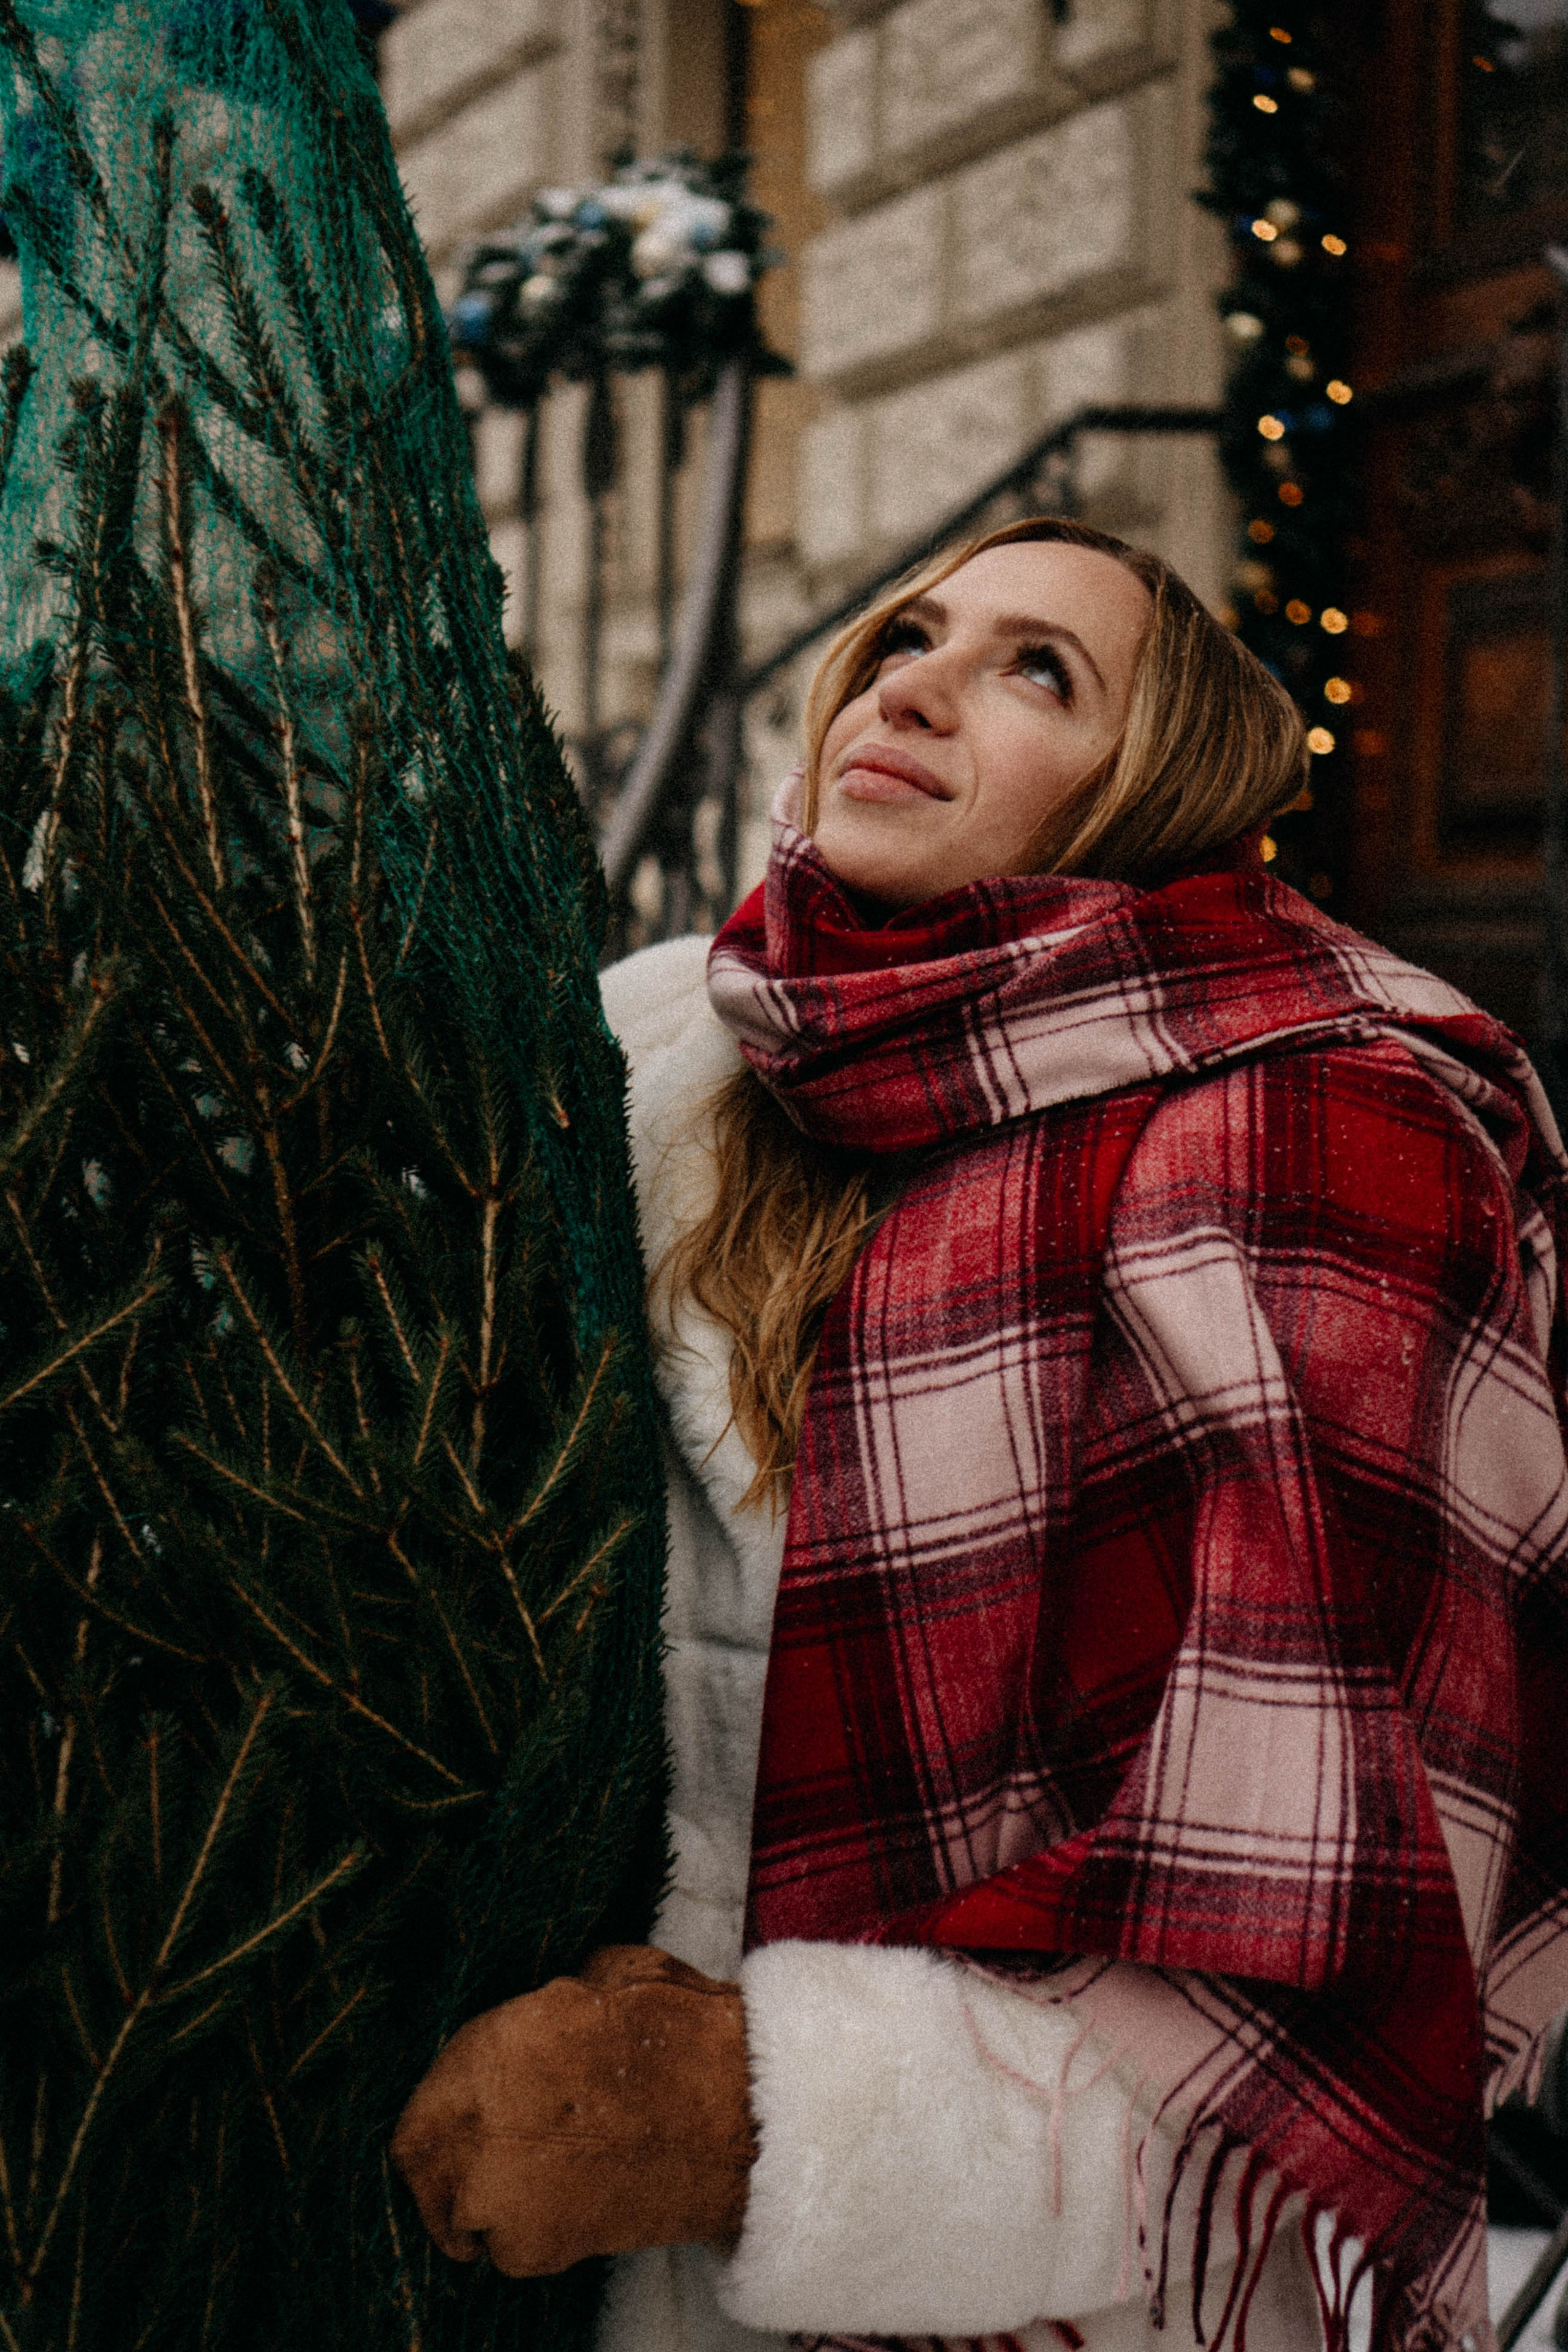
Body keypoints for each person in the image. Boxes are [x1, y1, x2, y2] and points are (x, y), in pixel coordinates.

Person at [390, 518, 1568, 2352]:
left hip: (1036, 2277)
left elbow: (1308, 1944)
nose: (918, 688)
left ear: (1152, 794)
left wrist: (752, 2123)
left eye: (1039, 671)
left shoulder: (1319, 1143)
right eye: (908, 635)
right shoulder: (666, 1044)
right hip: (518, 2209)